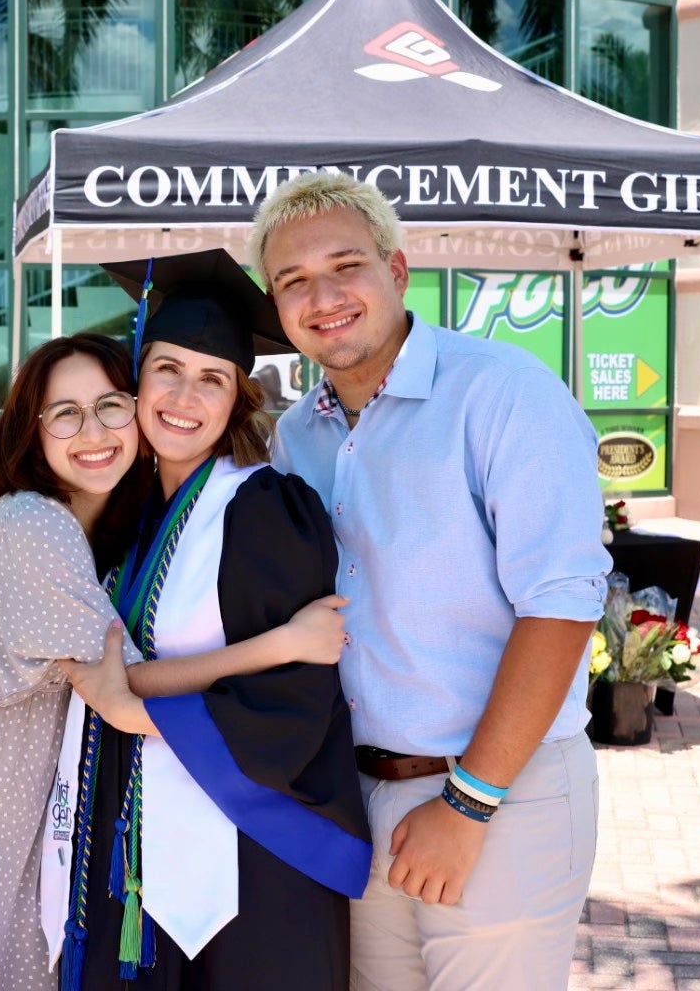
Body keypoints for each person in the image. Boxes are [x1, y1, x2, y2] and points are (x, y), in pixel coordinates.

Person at [0, 333, 347, 991]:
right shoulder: (36, 524)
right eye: (65, 413)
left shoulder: (104, 529)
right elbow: (123, 681)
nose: (94, 432)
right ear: (33, 432)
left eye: (110, 406)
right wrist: (284, 644)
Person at [251, 172, 612, 990]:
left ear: (398, 269)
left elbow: (560, 607)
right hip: (360, 795)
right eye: (294, 281)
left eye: (346, 266)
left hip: (497, 795)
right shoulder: (297, 437)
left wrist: (469, 803)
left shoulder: (502, 394)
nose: (324, 296)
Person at [54, 252, 371, 991]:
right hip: (133, 854)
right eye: (167, 369)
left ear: (237, 402)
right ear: (136, 381)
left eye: (213, 378)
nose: (184, 396)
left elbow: (294, 703)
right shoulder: (126, 520)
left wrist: (135, 712)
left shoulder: (265, 510)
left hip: (252, 863)